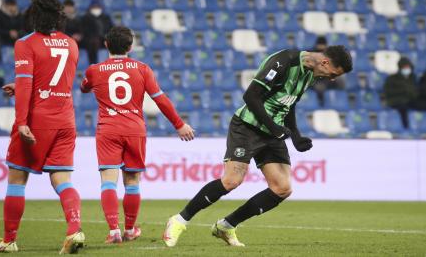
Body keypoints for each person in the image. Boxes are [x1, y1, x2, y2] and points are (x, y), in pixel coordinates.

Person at [163, 46, 353, 247]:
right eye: (333, 74)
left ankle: (226, 226)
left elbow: (289, 103)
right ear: (325, 62)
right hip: (248, 127)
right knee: (231, 181)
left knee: (282, 188)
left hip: (271, 132)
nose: (331, 78)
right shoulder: (283, 62)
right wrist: (275, 128)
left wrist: (296, 136)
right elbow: (251, 96)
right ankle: (179, 220)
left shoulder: (311, 74)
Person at [80, 26, 195, 243]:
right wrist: (179, 125)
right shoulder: (142, 68)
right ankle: (130, 230)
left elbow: (84, 87)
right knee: (132, 180)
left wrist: (89, 84)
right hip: (134, 129)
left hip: (108, 129)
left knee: (108, 181)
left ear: (106, 45)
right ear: (130, 47)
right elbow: (160, 99)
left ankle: (114, 231)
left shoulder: (94, 70)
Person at [0, 0, 85, 254]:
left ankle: (9, 240)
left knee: (17, 180)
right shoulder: (71, 44)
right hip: (66, 120)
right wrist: (20, 84)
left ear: (33, 15)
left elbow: (29, 83)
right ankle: (74, 230)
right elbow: (57, 79)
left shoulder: (25, 43)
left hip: (37, 121)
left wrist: (21, 122)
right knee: (62, 180)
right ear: (59, 17)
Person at [383, 57, 418, 129]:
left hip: (411, 101)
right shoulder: (392, 78)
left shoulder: (413, 78)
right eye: (405, 67)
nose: (407, 69)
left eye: (408, 67)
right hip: (396, 101)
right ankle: (406, 128)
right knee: (403, 108)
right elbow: (388, 92)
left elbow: (416, 91)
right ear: (400, 67)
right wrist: (404, 91)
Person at [310, 36, 345, 106]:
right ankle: (320, 104)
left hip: (327, 78)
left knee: (341, 79)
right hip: (315, 79)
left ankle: (339, 98)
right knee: (320, 87)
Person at [81, 0, 113, 64]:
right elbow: (83, 31)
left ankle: (113, 63)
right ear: (90, 8)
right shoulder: (85, 18)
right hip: (90, 41)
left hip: (105, 39)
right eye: (94, 7)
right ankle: (93, 63)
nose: (96, 9)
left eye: (98, 7)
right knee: (93, 42)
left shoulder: (106, 18)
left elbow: (111, 29)